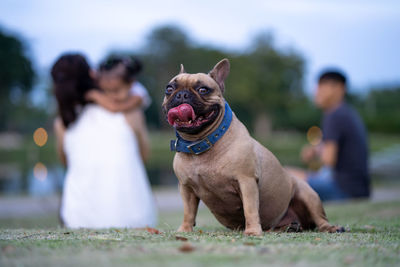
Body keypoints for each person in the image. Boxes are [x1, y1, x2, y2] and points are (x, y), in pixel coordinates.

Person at [51, 53, 157, 228]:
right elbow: (144, 155)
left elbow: (66, 162)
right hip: (135, 219)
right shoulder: (131, 112)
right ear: (91, 76)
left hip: (77, 219)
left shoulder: (63, 123)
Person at [287, 70, 370, 201]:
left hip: (344, 190)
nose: (317, 92)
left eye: (321, 87)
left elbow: (329, 159)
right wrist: (316, 149)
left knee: (283, 175)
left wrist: (317, 156)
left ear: (339, 88)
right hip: (359, 189)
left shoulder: (334, 114)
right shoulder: (346, 113)